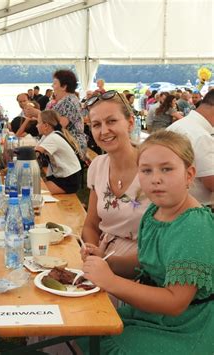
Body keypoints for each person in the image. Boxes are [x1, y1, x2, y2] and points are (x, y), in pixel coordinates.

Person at [80, 130, 213, 354]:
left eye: (167, 169)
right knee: (88, 326)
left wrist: (110, 281)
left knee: (106, 343)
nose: (156, 178)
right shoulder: (155, 211)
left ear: (189, 175)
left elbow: (175, 302)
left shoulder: (193, 226)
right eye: (146, 170)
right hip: (152, 316)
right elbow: (147, 261)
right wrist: (107, 262)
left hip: (186, 326)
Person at [82, 90, 150, 257]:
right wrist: (91, 251)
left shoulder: (152, 167)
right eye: (96, 125)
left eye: (111, 121)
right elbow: (91, 224)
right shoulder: (97, 165)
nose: (104, 131)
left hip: (145, 268)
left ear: (130, 123)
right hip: (102, 263)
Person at [167, 89, 214, 207]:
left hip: (173, 204)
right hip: (194, 208)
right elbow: (211, 182)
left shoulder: (182, 125)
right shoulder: (201, 135)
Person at [25, 70, 87, 156]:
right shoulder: (66, 100)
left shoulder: (69, 101)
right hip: (64, 145)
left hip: (72, 148)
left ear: (64, 86)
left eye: (54, 83)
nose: (52, 86)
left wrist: (38, 114)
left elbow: (58, 128)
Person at [35, 110, 82, 194]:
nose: (36, 126)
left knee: (37, 191)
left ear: (46, 125)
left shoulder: (53, 137)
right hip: (60, 175)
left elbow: (34, 154)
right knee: (36, 188)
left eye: (38, 123)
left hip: (69, 179)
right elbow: (35, 150)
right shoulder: (47, 136)